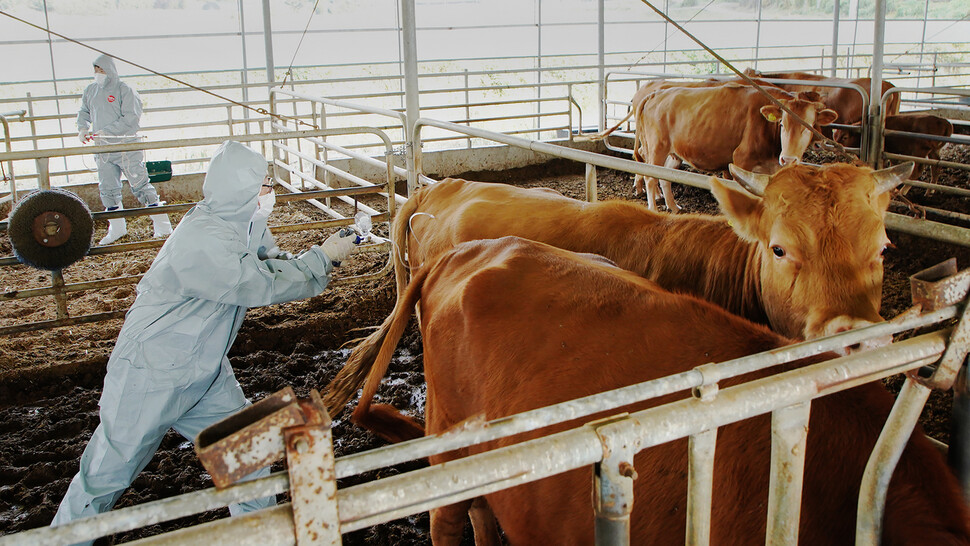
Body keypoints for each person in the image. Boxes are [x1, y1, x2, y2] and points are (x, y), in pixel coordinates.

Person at [51, 140, 359, 542]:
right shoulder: (202, 237)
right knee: (106, 474)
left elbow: (269, 262)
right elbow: (257, 283)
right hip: (152, 369)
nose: (271, 191)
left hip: (203, 368)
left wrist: (322, 254)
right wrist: (321, 259)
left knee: (248, 451)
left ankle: (259, 537)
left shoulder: (245, 222)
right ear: (240, 191)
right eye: (265, 184)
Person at [77, 54, 173, 245]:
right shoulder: (90, 90)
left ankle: (163, 228)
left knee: (140, 184)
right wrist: (82, 128)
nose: (98, 73)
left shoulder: (125, 90)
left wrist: (106, 131)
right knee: (108, 188)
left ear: (110, 70)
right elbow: (84, 111)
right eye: (96, 69)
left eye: (102, 69)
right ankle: (117, 229)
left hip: (126, 147)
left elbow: (131, 119)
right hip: (103, 149)